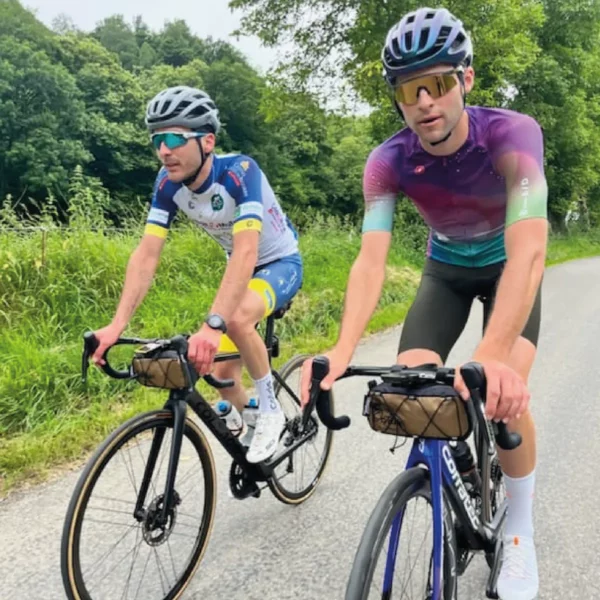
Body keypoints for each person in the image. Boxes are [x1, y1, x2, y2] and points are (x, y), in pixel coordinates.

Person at [301, 7, 547, 600]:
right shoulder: (388, 161)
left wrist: (489, 359)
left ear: (464, 79)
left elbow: (529, 252)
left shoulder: (512, 134)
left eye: (436, 83)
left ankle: (518, 529)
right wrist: (341, 349)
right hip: (446, 273)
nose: (424, 101)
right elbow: (370, 261)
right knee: (411, 388)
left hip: (508, 268)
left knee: (502, 395)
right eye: (409, 90)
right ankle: (450, 475)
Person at [92, 85, 303, 464]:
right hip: (239, 267)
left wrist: (213, 324)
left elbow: (246, 249)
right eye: (157, 139)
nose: (164, 150)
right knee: (223, 378)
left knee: (234, 320)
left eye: (174, 137)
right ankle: (252, 416)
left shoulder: (240, 172)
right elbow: (146, 256)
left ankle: (272, 411)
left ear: (207, 140)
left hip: (278, 263)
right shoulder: (166, 184)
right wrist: (116, 325)